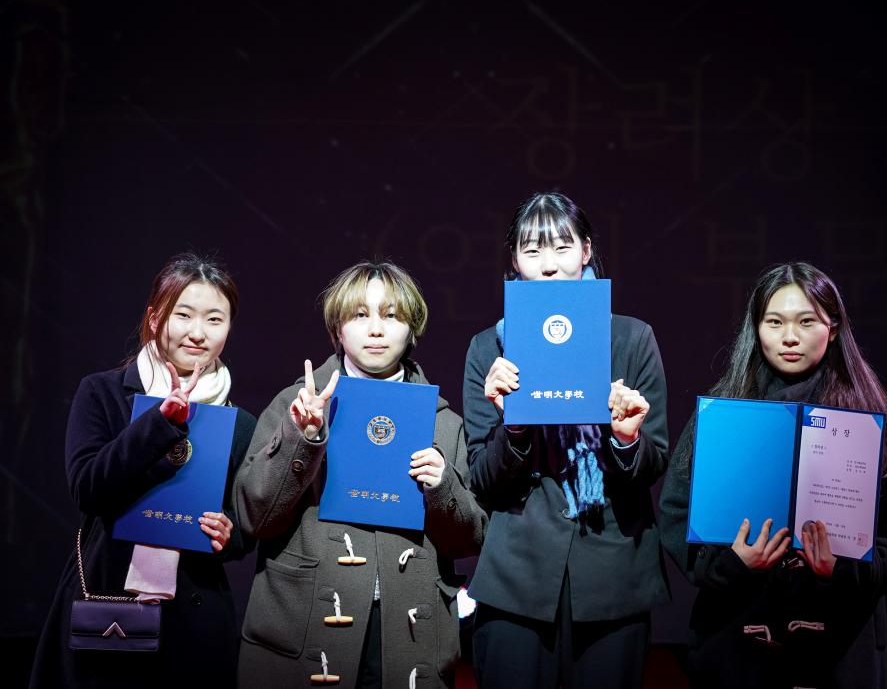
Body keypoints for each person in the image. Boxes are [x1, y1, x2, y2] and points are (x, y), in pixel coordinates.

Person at [659, 262, 887, 689]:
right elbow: (676, 512)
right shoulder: (723, 413)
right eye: (775, 322)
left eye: (807, 321)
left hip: (841, 647)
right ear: (756, 328)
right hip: (736, 641)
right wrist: (731, 564)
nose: (790, 337)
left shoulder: (872, 421)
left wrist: (843, 570)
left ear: (833, 328)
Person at [234, 261, 486, 689]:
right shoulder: (298, 404)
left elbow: (468, 541)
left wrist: (441, 486)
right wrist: (302, 438)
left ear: (412, 329)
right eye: (359, 314)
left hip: (404, 636)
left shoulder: (443, 423)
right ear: (338, 328)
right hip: (308, 625)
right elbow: (254, 517)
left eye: (391, 315)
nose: (375, 329)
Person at [462, 192, 670, 688]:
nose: (549, 265)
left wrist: (625, 439)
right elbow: (483, 481)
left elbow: (653, 462)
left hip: (612, 576)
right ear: (515, 261)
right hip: (517, 580)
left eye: (562, 247)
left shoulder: (631, 339)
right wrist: (513, 427)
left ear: (586, 251)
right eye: (533, 250)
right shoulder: (488, 349)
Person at [30, 253, 257, 689]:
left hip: (195, 616)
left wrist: (230, 534)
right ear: (155, 319)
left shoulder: (239, 422)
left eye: (214, 319)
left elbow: (246, 525)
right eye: (183, 315)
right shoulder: (103, 393)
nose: (197, 332)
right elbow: (88, 488)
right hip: (109, 604)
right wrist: (159, 423)